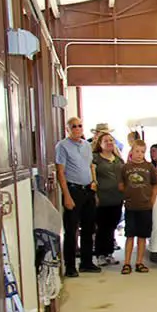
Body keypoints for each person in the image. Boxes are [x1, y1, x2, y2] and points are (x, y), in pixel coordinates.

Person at [55, 116, 100, 277]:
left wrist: (94, 185)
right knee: (71, 229)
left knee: (89, 228)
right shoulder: (62, 146)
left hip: (88, 190)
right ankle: (70, 266)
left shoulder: (87, 145)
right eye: (73, 126)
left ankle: (86, 262)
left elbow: (90, 166)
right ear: (68, 129)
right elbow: (60, 172)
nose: (77, 129)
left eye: (79, 126)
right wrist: (66, 196)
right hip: (73, 190)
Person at [119, 139, 157, 274]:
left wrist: (152, 200)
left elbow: (155, 184)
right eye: (137, 151)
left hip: (145, 207)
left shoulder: (149, 167)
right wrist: (126, 194)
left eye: (142, 152)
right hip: (131, 207)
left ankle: (139, 262)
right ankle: (127, 263)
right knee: (130, 235)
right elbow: (121, 185)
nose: (139, 154)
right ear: (131, 151)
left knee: (142, 236)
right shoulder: (125, 167)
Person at [92, 132, 125, 266]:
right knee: (102, 227)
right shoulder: (95, 158)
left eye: (111, 140)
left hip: (117, 198)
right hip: (102, 198)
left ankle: (109, 253)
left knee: (112, 226)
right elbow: (92, 177)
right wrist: (95, 195)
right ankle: (100, 254)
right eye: (106, 141)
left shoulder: (118, 159)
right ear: (100, 144)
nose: (109, 142)